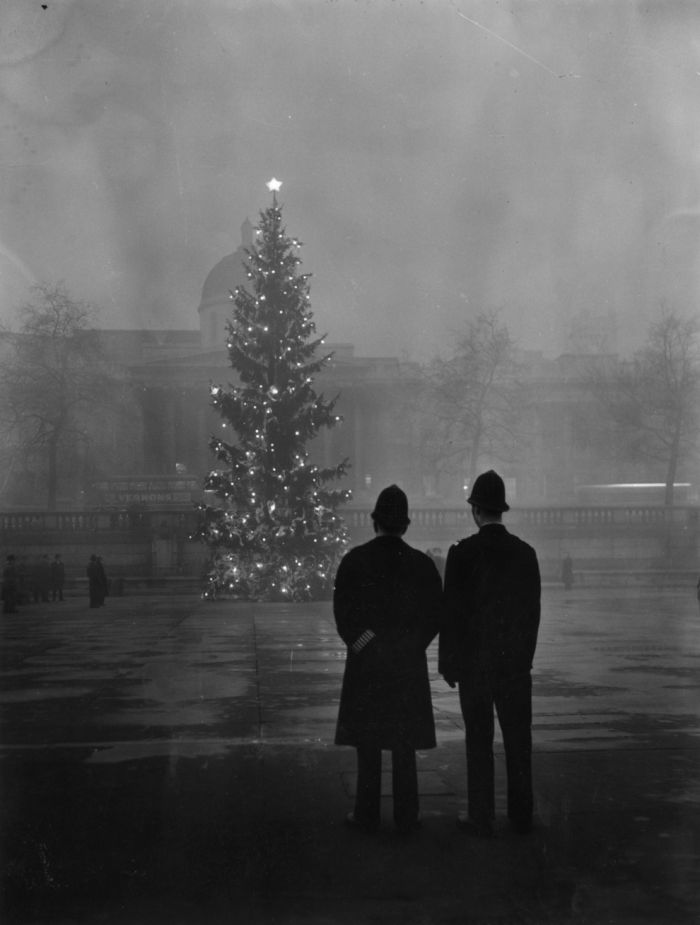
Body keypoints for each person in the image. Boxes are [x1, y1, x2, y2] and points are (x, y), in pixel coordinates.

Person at [334, 485, 442, 834]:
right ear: (406, 524)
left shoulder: (354, 560)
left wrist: (368, 645)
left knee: (368, 745)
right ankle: (407, 815)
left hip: (367, 665)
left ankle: (366, 813)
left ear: (374, 521)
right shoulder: (422, 564)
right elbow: (433, 617)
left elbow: (344, 616)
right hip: (407, 665)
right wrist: (408, 647)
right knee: (404, 745)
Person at [439, 470, 541, 837]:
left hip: (475, 665)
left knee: (478, 741)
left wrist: (449, 664)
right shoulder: (525, 554)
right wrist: (523, 658)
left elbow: (451, 614)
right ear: (501, 509)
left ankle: (481, 814)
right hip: (513, 665)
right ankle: (521, 812)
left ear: (476, 510)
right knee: (518, 741)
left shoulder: (462, 554)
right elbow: (532, 615)